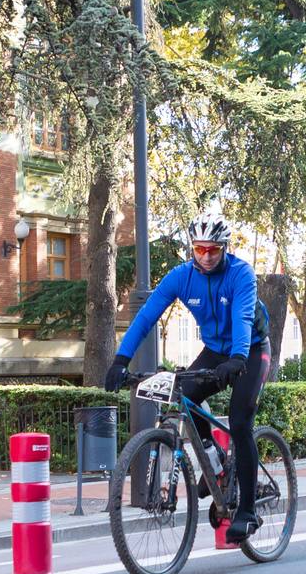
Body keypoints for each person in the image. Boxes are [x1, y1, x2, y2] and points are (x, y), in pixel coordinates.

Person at [104, 215, 273, 540]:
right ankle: (215, 461)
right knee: (186, 397)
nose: (206, 256)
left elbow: (242, 317)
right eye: (199, 249)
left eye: (213, 249)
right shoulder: (180, 277)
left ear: (224, 248)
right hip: (214, 349)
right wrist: (120, 360)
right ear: (191, 249)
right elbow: (146, 316)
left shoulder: (241, 274)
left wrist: (237, 358)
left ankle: (249, 511)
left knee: (239, 424)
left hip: (249, 350)